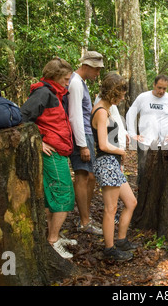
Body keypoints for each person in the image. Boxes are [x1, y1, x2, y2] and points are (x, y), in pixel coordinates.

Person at [20, 57, 76, 259]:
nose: (68, 83)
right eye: (66, 79)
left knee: (54, 196)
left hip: (59, 152)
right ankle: (52, 242)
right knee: (64, 194)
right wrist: (39, 142)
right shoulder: (43, 92)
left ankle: (54, 235)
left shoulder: (54, 93)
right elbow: (22, 117)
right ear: (55, 77)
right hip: (52, 152)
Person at [91, 73, 138, 261]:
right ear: (114, 92)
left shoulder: (107, 109)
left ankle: (121, 240)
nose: (123, 97)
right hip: (106, 162)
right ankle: (109, 249)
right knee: (110, 209)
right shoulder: (101, 111)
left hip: (113, 163)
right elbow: (102, 145)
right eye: (122, 94)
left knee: (131, 202)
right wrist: (121, 152)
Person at [66, 51, 104, 235]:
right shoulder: (75, 83)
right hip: (80, 136)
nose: (97, 73)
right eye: (96, 69)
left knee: (90, 176)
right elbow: (74, 116)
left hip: (87, 134)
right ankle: (84, 221)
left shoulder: (80, 83)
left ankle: (85, 216)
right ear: (86, 66)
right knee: (82, 176)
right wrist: (82, 145)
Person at [126, 74, 168, 183]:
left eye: (164, 88)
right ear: (154, 85)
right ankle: (141, 195)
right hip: (145, 142)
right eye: (159, 87)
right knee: (144, 171)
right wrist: (132, 134)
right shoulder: (143, 97)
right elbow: (130, 114)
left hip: (164, 144)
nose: (161, 91)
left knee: (163, 172)